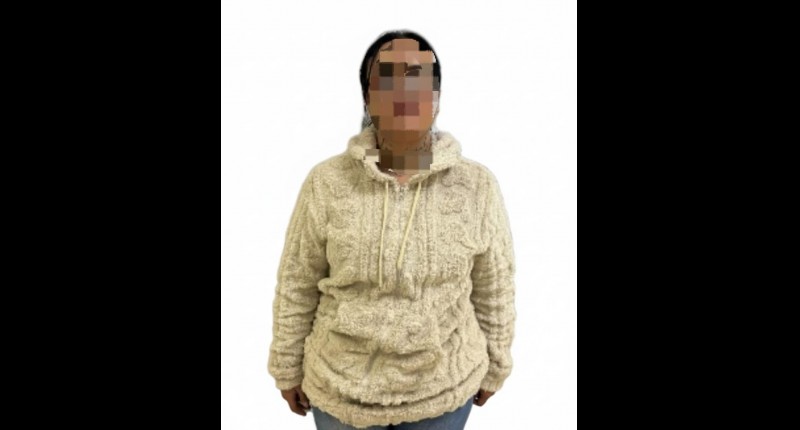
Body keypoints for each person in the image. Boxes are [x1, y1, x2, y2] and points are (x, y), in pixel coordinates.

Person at [268, 29, 517, 430]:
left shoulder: (476, 186)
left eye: (416, 76)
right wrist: (286, 365)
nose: (403, 89)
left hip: (441, 394)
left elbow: (494, 284)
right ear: (367, 98)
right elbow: (298, 279)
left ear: (436, 96)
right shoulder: (326, 182)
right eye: (387, 76)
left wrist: (497, 363)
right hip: (339, 392)